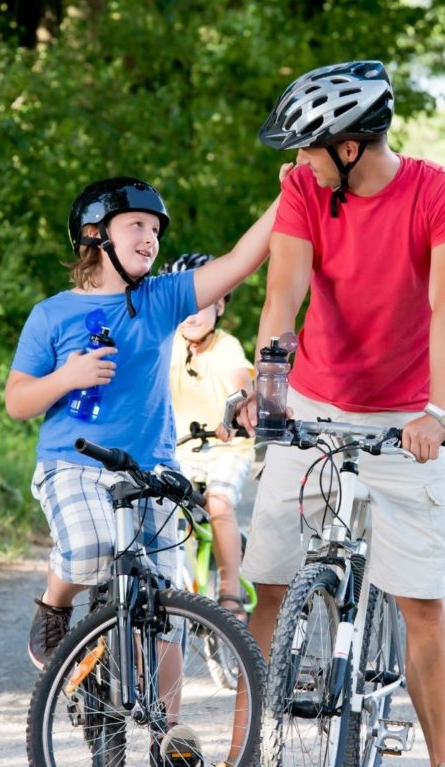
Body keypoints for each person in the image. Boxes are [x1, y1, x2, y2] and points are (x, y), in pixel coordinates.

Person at [240, 60, 445, 767]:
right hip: (312, 400)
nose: (300, 161)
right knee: (273, 585)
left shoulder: (439, 194)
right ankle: (243, 752)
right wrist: (268, 389)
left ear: (349, 147)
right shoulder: (302, 189)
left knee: (421, 604)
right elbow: (283, 295)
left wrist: (438, 412)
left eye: (309, 147)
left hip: (407, 418)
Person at [5, 176, 276, 675]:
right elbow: (17, 401)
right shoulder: (52, 314)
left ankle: (168, 737)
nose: (150, 237)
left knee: (163, 611)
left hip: (151, 470)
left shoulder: (160, 298)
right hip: (74, 464)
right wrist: (68, 376)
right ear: (94, 233)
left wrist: (293, 192)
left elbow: (240, 262)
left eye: (155, 228)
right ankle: (55, 603)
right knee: (90, 550)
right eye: (136, 225)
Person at [162, 251, 256, 620]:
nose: (190, 312)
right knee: (153, 504)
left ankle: (230, 589)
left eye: (200, 303)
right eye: (182, 303)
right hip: (180, 450)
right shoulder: (166, 346)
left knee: (218, 501)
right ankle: (169, 584)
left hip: (225, 448)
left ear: (219, 303)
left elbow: (240, 382)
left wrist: (234, 411)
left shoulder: (226, 346)